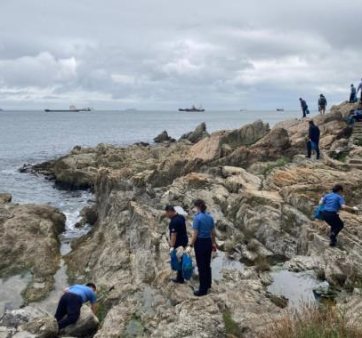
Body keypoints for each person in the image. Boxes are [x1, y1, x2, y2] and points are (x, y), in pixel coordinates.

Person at [186, 199, 216, 297]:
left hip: (200, 243)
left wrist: (190, 245)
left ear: (197, 206)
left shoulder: (197, 218)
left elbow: (195, 234)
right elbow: (213, 232)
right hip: (208, 242)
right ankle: (208, 284)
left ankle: (203, 290)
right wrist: (213, 243)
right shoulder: (210, 217)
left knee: (201, 266)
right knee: (207, 265)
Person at [165, 205, 188, 284]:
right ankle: (181, 277)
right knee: (181, 259)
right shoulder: (181, 217)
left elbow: (173, 235)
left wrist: (171, 246)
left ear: (171, 211)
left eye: (167, 213)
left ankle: (180, 278)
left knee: (178, 260)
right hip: (184, 241)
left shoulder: (174, 222)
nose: (166, 214)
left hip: (179, 244)